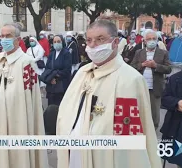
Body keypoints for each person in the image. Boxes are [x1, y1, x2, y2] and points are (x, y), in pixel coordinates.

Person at [56, 20, 161, 168]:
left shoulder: (130, 79)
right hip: (74, 153)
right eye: (89, 40)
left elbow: (128, 134)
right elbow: (66, 110)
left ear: (115, 42)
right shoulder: (82, 73)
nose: (93, 45)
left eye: (100, 39)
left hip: (104, 157)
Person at [0, 22, 48, 168]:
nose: (4, 39)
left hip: (16, 118)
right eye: (2, 36)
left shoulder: (26, 62)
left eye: (8, 36)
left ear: (18, 39)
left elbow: (23, 97)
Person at [131, 29, 172, 130]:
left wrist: (156, 65)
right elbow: (132, 66)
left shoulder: (163, 53)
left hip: (155, 87)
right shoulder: (139, 52)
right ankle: (140, 129)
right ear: (144, 41)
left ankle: (153, 130)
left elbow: (168, 69)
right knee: (139, 109)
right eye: (149, 39)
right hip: (141, 86)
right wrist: (142, 65)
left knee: (154, 111)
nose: (151, 41)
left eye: (154, 38)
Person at [40, 35, 72, 106]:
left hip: (61, 85)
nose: (56, 43)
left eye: (58, 41)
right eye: (54, 42)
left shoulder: (66, 54)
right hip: (51, 86)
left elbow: (67, 70)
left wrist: (56, 77)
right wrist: (50, 79)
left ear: (62, 42)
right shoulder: (52, 54)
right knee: (51, 109)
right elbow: (47, 68)